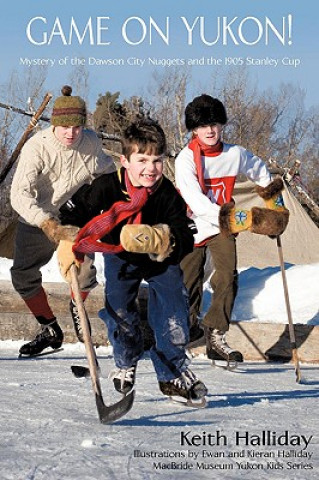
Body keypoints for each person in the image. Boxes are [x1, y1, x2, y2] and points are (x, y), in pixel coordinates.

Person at [57, 119, 208, 406]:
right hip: (119, 257)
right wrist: (67, 240)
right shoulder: (106, 187)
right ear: (125, 161)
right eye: (142, 160)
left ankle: (172, 374)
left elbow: (186, 235)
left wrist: (162, 239)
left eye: (157, 160)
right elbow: (71, 215)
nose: (150, 168)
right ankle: (125, 361)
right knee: (120, 311)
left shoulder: (166, 194)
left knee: (174, 312)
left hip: (158, 261)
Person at [175, 94, 289, 367]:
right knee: (187, 282)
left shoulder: (234, 153)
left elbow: (261, 172)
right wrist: (241, 219)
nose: (210, 130)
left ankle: (216, 334)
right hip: (191, 224)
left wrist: (277, 209)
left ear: (222, 125)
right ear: (194, 129)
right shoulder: (186, 159)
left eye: (214, 124)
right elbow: (197, 203)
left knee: (227, 276)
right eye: (203, 126)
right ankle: (184, 330)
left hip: (221, 228)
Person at [10, 85, 115, 356]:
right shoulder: (38, 147)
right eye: (65, 127)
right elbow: (19, 194)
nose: (71, 133)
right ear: (54, 124)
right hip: (39, 215)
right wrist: (45, 222)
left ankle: (77, 305)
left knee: (83, 269)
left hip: (73, 212)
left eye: (77, 128)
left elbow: (107, 170)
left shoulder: (91, 142)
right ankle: (49, 328)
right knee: (23, 276)